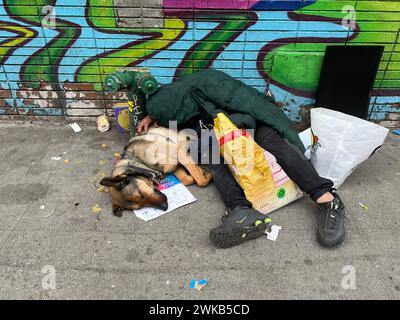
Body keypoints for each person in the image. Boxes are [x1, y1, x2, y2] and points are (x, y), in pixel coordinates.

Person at [137, 69, 346, 249]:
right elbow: (171, 112)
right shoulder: (182, 102)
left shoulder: (211, 83)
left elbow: (256, 106)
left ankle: (327, 200)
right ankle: (240, 211)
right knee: (206, 150)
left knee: (275, 143)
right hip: (224, 133)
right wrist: (152, 116)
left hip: (252, 120)